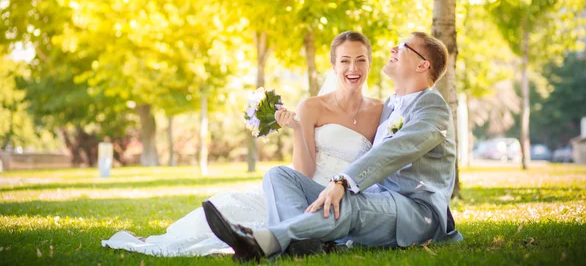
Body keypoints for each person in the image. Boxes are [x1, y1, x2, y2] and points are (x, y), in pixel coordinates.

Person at [101, 31, 383, 256]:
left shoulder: (381, 111)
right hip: (304, 190)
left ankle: (304, 238)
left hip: (344, 196)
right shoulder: (312, 106)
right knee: (227, 206)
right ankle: (304, 237)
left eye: (360, 60)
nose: (353, 68)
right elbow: (303, 173)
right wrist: (297, 129)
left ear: (370, 63)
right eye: (345, 60)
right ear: (333, 67)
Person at [203, 32, 463, 262]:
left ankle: (261, 242)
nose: (393, 50)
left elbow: (395, 150)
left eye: (402, 46)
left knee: (349, 203)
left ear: (423, 64)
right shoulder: (392, 106)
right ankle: (307, 244)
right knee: (278, 175)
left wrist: (342, 181)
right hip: (377, 199)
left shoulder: (432, 107)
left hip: (415, 211)